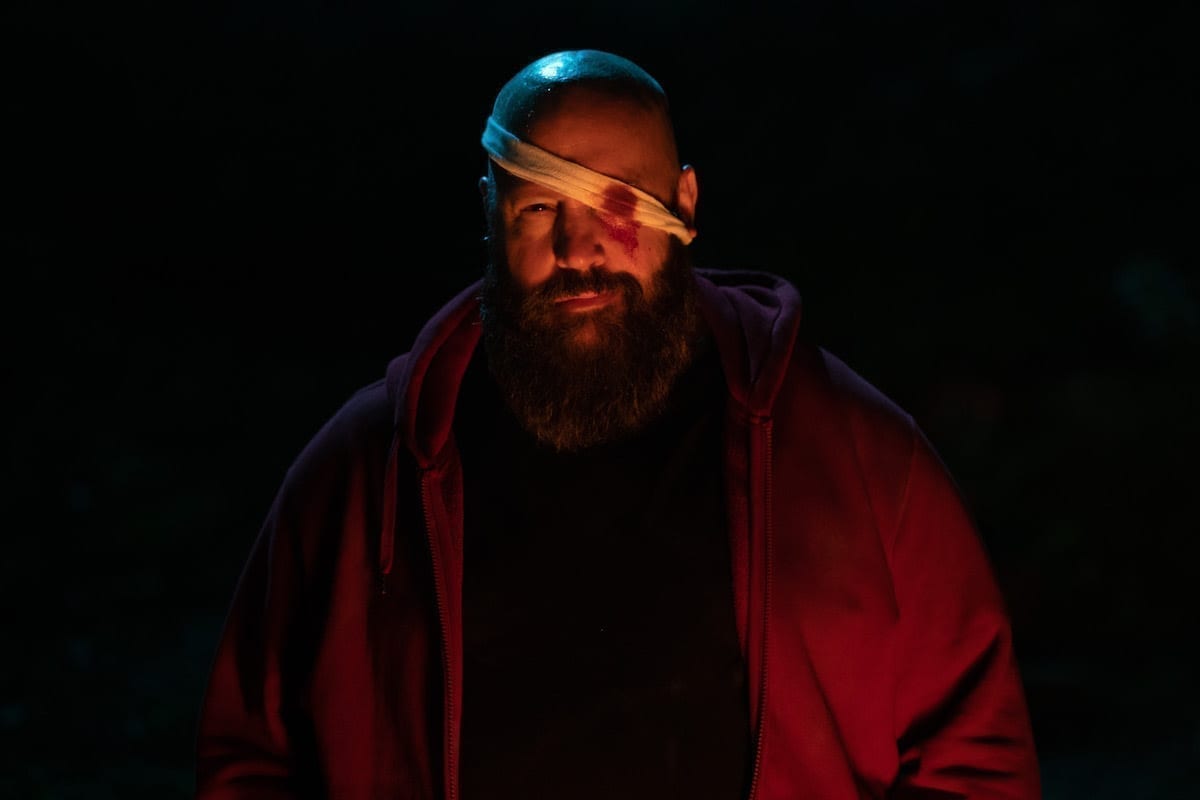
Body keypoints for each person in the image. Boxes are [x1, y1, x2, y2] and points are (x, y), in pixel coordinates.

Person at [194, 48, 1042, 799]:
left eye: (617, 202)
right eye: (538, 208)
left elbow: (977, 756)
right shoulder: (362, 474)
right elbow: (251, 757)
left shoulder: (858, 459)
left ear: (684, 202)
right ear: (489, 211)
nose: (579, 248)